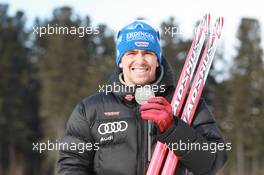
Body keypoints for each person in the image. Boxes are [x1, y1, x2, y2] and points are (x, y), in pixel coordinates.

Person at [57, 20, 227, 175]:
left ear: (157, 60)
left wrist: (173, 129)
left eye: (147, 53)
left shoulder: (187, 103)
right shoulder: (90, 109)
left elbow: (212, 163)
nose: (140, 60)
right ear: (121, 60)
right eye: (131, 53)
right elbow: (71, 166)